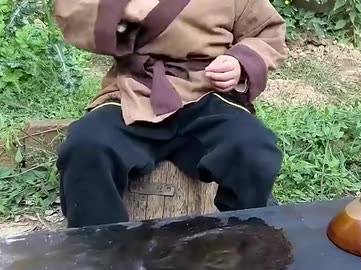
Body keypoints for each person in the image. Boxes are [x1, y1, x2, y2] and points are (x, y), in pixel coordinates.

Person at [53, 0, 287, 228]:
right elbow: (72, 11)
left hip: (206, 94)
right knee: (87, 146)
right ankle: (99, 250)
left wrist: (239, 63)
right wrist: (121, 8)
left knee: (253, 147)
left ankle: (246, 241)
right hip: (135, 93)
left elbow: (267, 32)